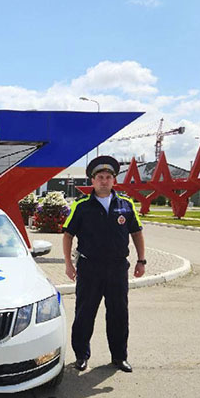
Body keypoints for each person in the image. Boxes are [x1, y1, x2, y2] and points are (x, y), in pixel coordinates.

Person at [62, 155, 146, 373]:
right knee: (84, 314)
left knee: (119, 314)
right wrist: (69, 265)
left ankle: (119, 357)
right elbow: (67, 235)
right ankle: (81, 356)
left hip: (117, 269)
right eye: (100, 177)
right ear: (92, 180)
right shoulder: (81, 206)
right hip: (90, 269)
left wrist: (141, 260)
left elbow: (137, 233)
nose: (104, 181)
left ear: (114, 180)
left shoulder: (125, 205)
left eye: (108, 177)